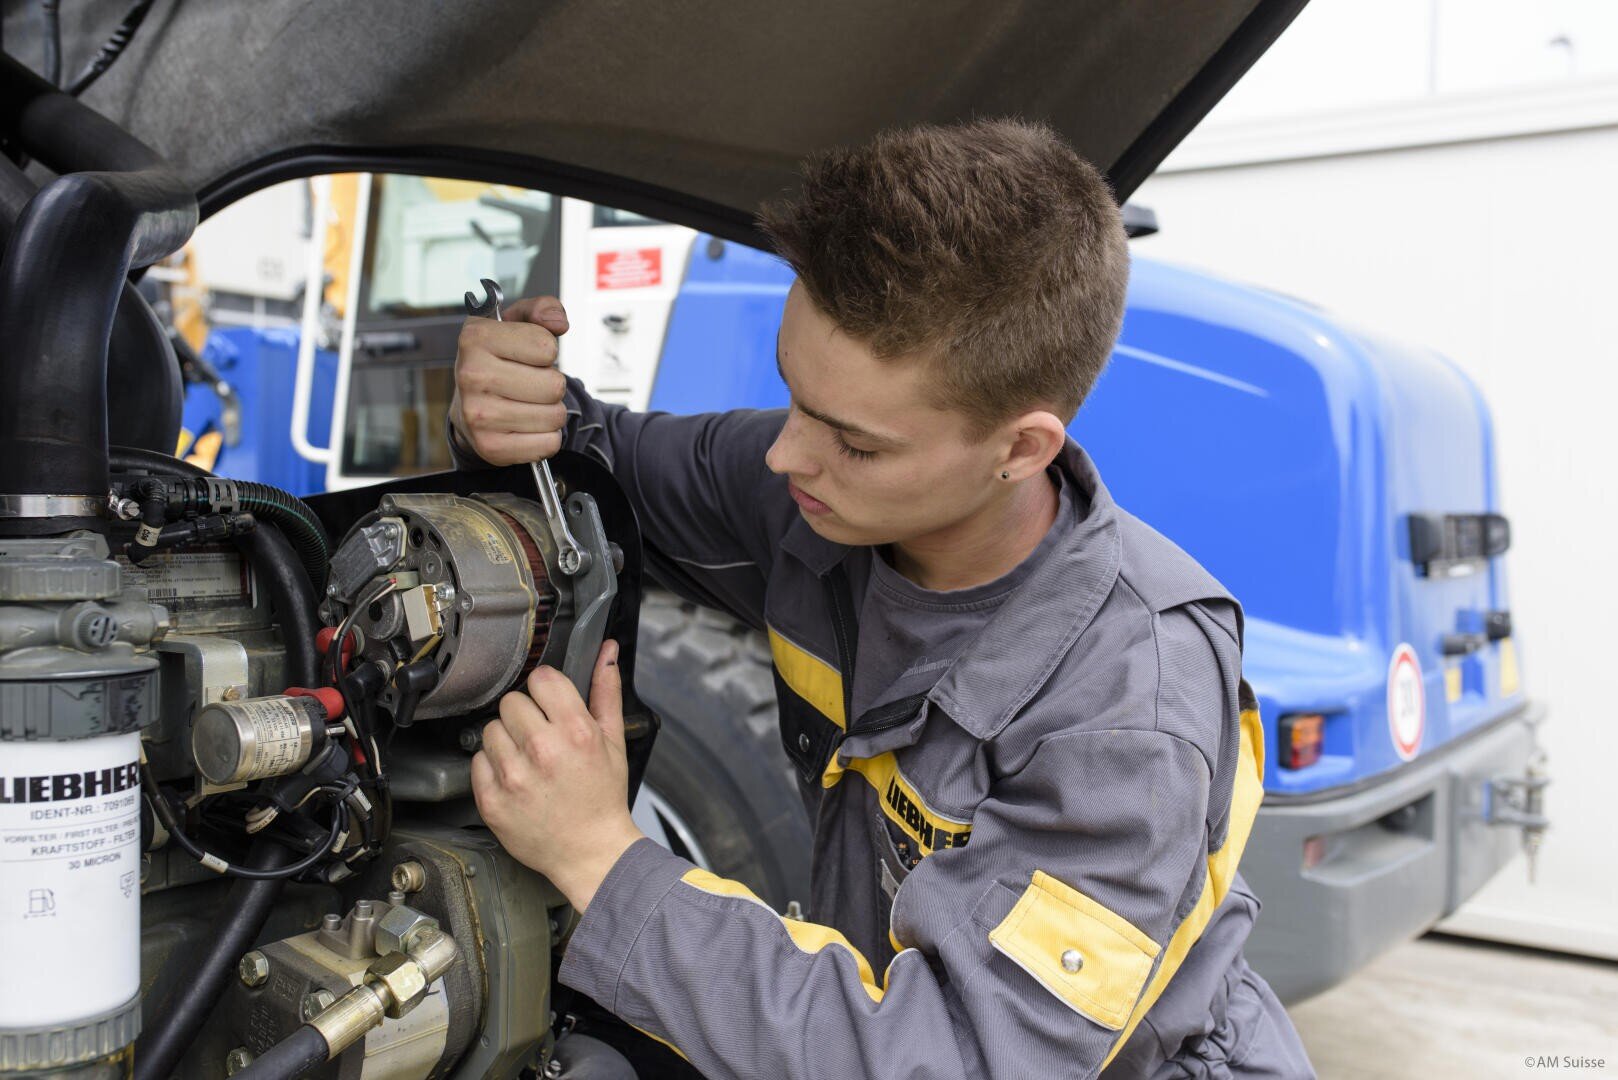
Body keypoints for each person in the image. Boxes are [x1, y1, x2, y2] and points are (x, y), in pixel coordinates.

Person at [447, 118, 1315, 1079]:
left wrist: (603, 862)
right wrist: (511, 406)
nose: (784, 458)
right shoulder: (822, 491)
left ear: (1021, 450)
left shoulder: (1126, 714)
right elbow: (594, 466)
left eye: (855, 442)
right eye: (791, 395)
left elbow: (958, 1060)